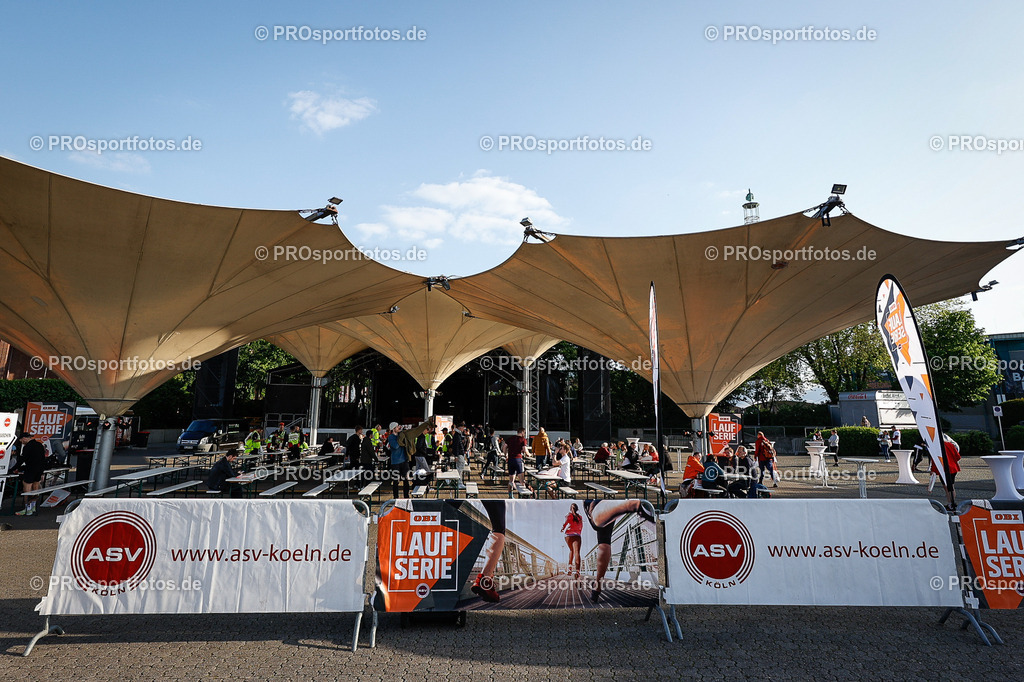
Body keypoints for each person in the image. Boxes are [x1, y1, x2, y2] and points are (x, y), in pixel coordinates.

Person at [582, 499, 655, 602]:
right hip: (603, 504)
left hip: (594, 504)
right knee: (604, 541)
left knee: (603, 540)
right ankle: (597, 585)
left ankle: (632, 505)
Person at [14, 433, 46, 515]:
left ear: (24, 438)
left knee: (26, 488)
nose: (21, 442)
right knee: (35, 487)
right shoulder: (39, 445)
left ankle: (27, 508)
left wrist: (14, 468)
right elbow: (43, 458)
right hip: (39, 470)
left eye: (21, 441)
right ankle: (33, 507)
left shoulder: (27, 447)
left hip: (31, 469)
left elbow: (23, 459)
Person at [935, 433, 962, 510]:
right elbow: (958, 456)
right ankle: (952, 503)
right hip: (953, 468)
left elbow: (935, 460)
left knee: (946, 488)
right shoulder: (950, 445)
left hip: (944, 469)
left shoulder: (937, 447)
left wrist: (933, 471)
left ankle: (950, 503)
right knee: (951, 486)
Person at [505, 427, 530, 496]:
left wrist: (506, 455)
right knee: (521, 480)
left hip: (510, 459)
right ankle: (523, 496)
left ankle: (510, 494)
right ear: (522, 432)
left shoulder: (510, 439)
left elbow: (504, 446)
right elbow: (524, 449)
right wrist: (528, 454)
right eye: (524, 433)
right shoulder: (523, 440)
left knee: (511, 480)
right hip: (518, 460)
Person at [562, 503, 583, 578]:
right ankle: (577, 571)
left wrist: (562, 529)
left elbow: (565, 524)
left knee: (571, 550)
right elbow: (581, 527)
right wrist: (578, 533)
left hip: (568, 536)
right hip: (576, 535)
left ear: (570, 509)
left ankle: (570, 570)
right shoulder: (580, 517)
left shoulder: (569, 515)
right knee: (577, 552)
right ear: (577, 509)